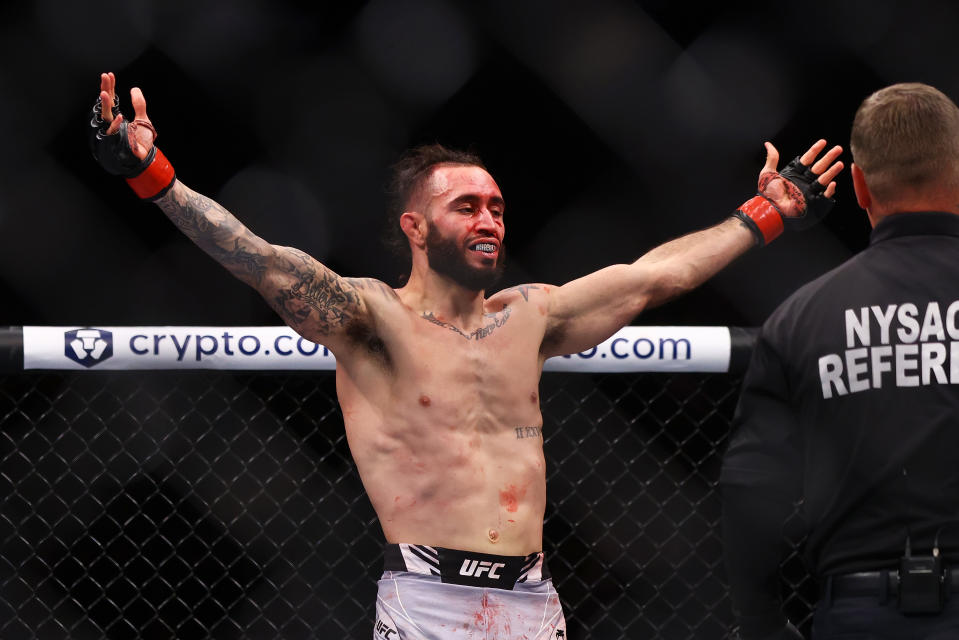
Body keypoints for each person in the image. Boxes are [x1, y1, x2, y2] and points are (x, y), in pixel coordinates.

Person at [90, 71, 842, 640]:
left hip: (534, 598)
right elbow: (256, 258)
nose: (489, 220)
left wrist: (766, 214)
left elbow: (654, 277)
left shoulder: (533, 315)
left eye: (496, 208)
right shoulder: (367, 319)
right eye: (467, 207)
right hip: (427, 603)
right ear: (415, 228)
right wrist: (154, 178)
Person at [721, 82, 959, 640]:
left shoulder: (804, 316)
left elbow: (751, 487)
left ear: (858, 185)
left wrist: (760, 622)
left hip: (861, 611)